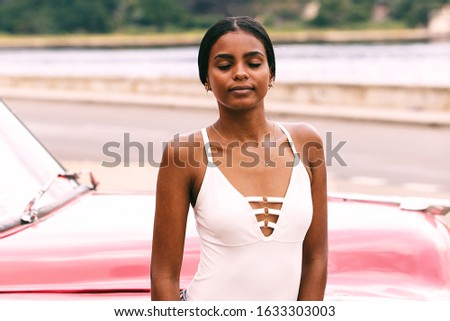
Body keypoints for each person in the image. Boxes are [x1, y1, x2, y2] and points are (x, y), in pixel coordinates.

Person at [150, 16, 328, 301]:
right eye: (224, 65)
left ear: (271, 74)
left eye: (254, 63)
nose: (240, 73)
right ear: (206, 79)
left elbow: (316, 259)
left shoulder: (307, 144)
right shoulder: (183, 154)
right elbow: (163, 276)